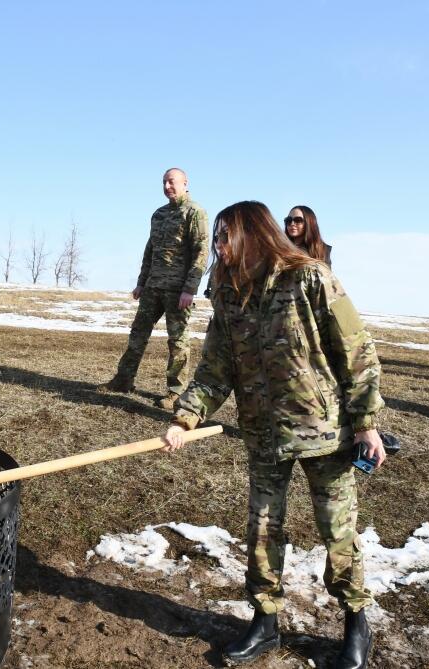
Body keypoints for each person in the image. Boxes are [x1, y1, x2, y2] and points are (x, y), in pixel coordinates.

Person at [163, 201, 384, 669]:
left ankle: (355, 621)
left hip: (324, 433)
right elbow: (214, 368)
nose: (217, 248)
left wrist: (365, 423)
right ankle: (265, 622)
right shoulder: (227, 294)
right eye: (217, 238)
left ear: (251, 234)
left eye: (224, 237)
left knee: (336, 530)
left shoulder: (310, 279)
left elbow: (358, 353)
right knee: (262, 529)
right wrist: (186, 417)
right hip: (263, 435)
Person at [98, 168, 209, 409]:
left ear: (185, 183)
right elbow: (151, 250)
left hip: (178, 290)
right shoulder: (158, 215)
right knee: (138, 334)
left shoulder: (195, 212)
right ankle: (123, 379)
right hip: (152, 287)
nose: (168, 186)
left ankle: (176, 392)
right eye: (164, 182)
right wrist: (141, 282)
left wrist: (190, 288)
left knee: (177, 342)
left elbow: (202, 251)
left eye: (172, 181)